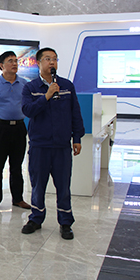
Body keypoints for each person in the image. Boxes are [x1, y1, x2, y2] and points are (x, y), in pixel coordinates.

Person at [20, 47, 85, 240]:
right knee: (38, 185)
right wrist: (47, 96)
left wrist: (77, 138)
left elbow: (75, 113)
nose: (52, 62)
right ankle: (36, 218)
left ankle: (65, 222)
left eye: (55, 59)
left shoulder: (67, 86)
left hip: (61, 146)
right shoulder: (30, 88)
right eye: (47, 59)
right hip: (39, 146)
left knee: (63, 186)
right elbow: (28, 110)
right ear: (38, 63)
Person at [0, 51, 31, 212]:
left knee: (17, 166)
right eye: (10, 61)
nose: (14, 64)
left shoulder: (24, 84)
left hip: (19, 127)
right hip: (0, 129)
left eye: (16, 61)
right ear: (1, 66)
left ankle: (18, 198)